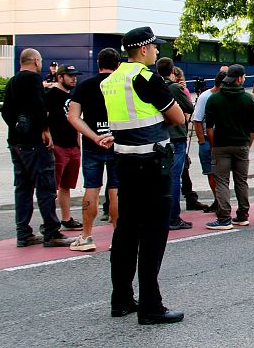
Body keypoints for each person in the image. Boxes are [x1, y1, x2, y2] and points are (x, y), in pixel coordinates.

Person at [101, 26, 185, 325]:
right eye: (155, 47)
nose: (158, 51)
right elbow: (178, 117)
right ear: (144, 49)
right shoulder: (146, 77)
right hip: (153, 163)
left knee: (125, 231)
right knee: (154, 233)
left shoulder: (110, 81)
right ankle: (151, 304)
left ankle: (121, 298)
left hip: (124, 161)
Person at [1, 48, 75, 248]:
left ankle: (23, 233)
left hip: (15, 141)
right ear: (35, 61)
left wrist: (17, 126)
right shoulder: (33, 79)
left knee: (23, 187)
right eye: (40, 61)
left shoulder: (13, 81)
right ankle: (51, 231)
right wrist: (44, 129)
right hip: (34, 143)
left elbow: (5, 111)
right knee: (45, 185)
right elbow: (39, 106)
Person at [66, 48, 121, 252]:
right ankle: (118, 236)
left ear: (98, 63)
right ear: (118, 65)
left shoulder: (85, 85)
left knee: (92, 187)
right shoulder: (122, 86)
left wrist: (94, 136)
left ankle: (87, 235)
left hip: (92, 143)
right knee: (116, 189)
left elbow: (73, 117)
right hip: (117, 143)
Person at [204, 64, 254, 230]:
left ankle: (224, 217)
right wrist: (246, 145)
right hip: (241, 144)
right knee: (241, 181)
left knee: (221, 181)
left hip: (221, 145)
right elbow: (252, 128)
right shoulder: (249, 99)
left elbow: (209, 127)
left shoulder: (214, 98)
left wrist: (214, 145)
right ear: (240, 78)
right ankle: (242, 215)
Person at [156, 57, 194, 231]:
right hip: (176, 136)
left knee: (161, 177)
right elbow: (189, 107)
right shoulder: (175, 88)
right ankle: (173, 216)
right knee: (174, 178)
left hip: (159, 136)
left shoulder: (154, 86)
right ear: (172, 71)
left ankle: (161, 214)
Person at [45, 64, 84, 231]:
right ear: (60, 77)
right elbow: (44, 118)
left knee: (66, 185)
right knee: (53, 185)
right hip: (58, 145)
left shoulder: (73, 96)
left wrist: (78, 140)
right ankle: (50, 221)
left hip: (72, 145)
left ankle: (66, 218)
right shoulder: (51, 95)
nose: (74, 78)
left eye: (75, 75)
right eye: (70, 76)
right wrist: (49, 137)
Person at [192, 67, 229, 214]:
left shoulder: (223, 97)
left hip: (222, 139)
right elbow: (197, 121)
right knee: (211, 172)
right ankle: (218, 200)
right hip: (208, 140)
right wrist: (202, 142)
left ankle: (220, 200)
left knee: (222, 172)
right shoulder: (205, 97)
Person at [174, 67, 208, 211]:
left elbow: (189, 114)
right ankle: (187, 199)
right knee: (179, 170)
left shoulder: (183, 91)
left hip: (180, 133)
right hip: (175, 134)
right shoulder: (174, 89)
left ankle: (190, 197)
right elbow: (189, 111)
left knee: (183, 168)